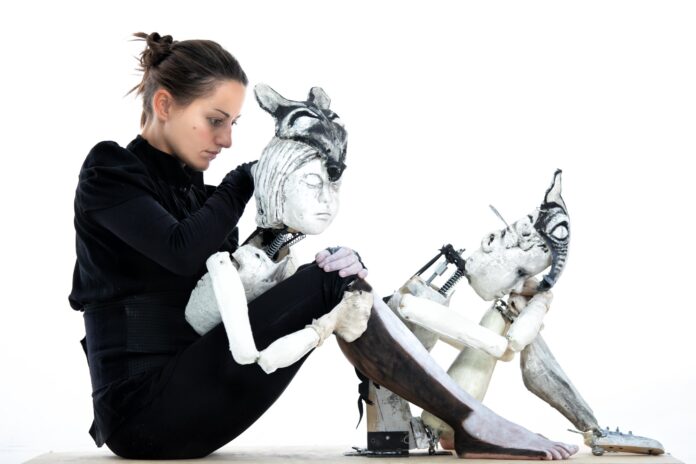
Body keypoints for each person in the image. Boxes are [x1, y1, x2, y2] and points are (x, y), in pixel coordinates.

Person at [70, 32, 578, 460]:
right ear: (164, 105)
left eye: (234, 125)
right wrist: (250, 178)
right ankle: (471, 422)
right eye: (215, 119)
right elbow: (181, 251)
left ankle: (448, 421)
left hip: (202, 394)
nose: (225, 140)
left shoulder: (198, 195)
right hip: (142, 414)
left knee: (338, 279)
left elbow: (224, 297)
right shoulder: (109, 172)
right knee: (330, 285)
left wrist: (312, 265)